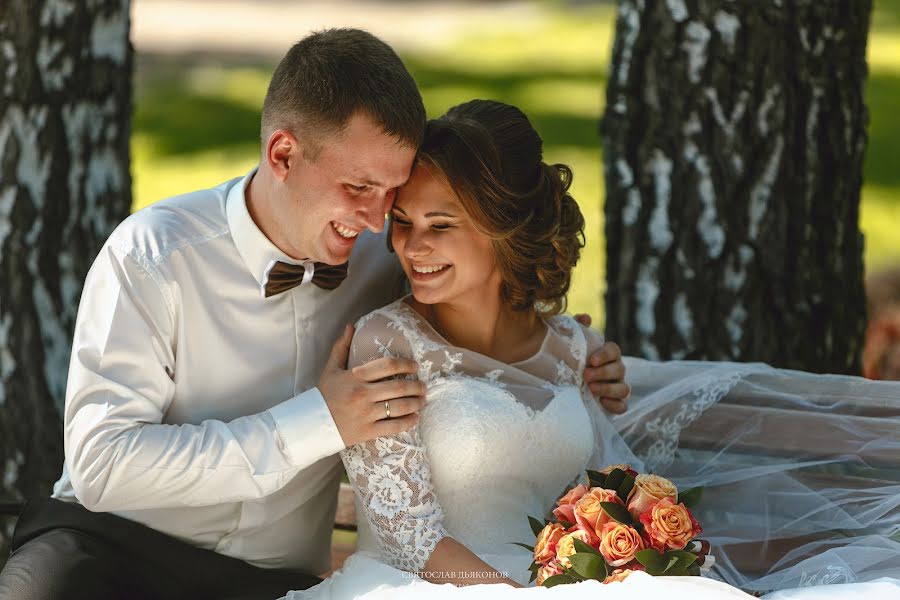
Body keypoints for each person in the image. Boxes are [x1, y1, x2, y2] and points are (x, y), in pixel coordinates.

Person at [0, 30, 628, 600]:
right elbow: (104, 465)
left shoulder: (394, 252)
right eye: (359, 188)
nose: (382, 221)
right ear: (282, 154)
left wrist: (587, 362)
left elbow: (491, 302)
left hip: (273, 583)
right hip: (112, 547)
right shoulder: (154, 255)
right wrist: (318, 421)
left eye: (393, 193)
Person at [281, 100, 900, 600]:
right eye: (405, 222)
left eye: (441, 225)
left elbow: (610, 486)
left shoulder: (575, 348)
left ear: (505, 230)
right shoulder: (388, 342)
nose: (412, 247)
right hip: (433, 586)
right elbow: (406, 538)